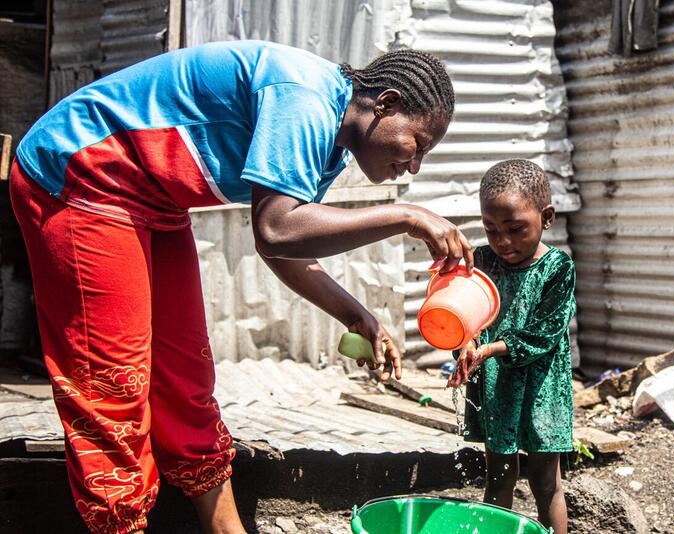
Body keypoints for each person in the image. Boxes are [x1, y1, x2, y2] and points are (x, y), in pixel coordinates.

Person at [10, 40, 472, 534]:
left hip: (154, 201)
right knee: (114, 381)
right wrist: (406, 215)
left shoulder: (330, 144)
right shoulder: (303, 96)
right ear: (386, 104)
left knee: (187, 376)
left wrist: (353, 313)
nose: (415, 164)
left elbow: (282, 243)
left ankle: (227, 529)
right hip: (81, 174)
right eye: (418, 144)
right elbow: (276, 228)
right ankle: (119, 524)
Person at [448, 159, 576, 534]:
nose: (503, 241)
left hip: (542, 389)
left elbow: (545, 333)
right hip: (498, 388)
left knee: (545, 482)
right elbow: (464, 312)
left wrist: (488, 350)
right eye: (491, 230)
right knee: (499, 478)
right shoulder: (483, 261)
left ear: (547, 217)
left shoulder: (557, 268)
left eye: (515, 229)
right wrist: (468, 342)